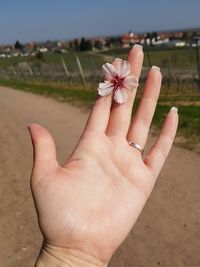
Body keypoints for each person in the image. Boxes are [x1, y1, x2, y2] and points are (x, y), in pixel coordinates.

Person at [28, 45, 178, 267]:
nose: (117, 82)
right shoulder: (113, 83)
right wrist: (69, 255)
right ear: (113, 80)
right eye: (115, 81)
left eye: (118, 81)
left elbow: (125, 84)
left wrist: (66, 257)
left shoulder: (121, 84)